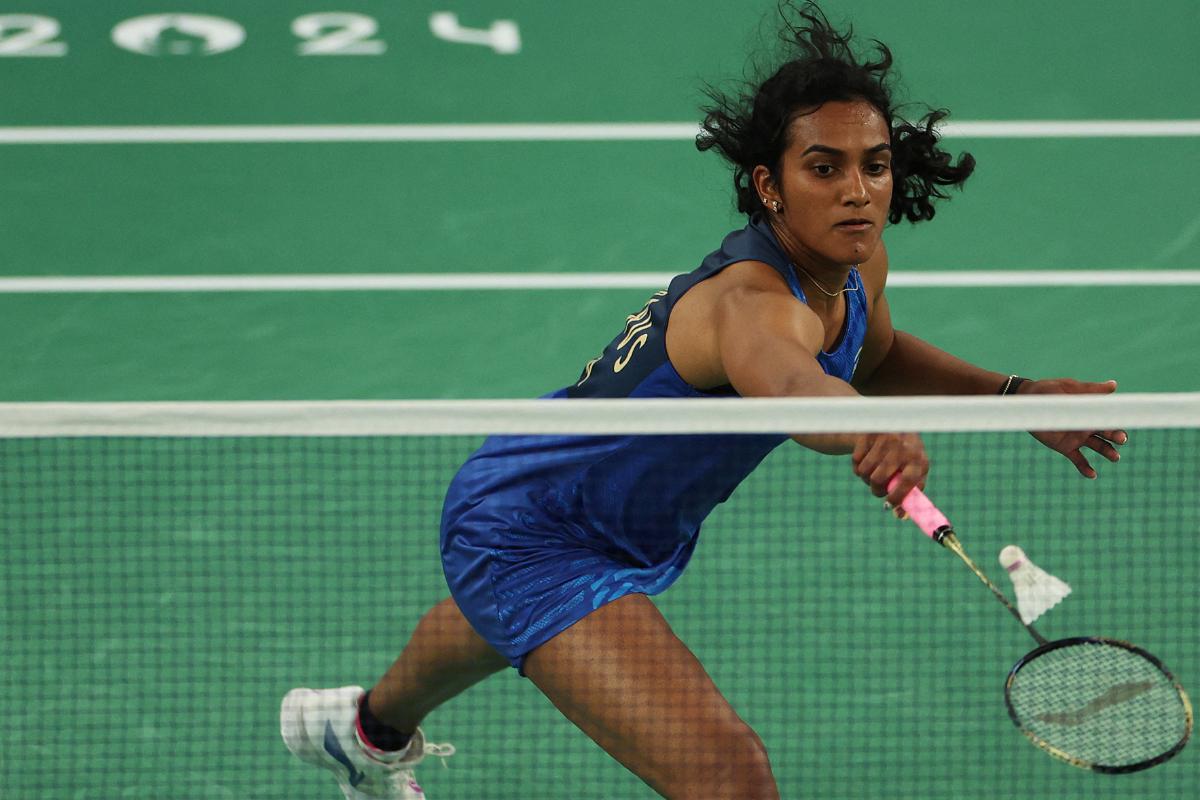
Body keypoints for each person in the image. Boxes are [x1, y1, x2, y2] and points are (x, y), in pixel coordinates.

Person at [279, 3, 1126, 798]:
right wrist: (863, 423)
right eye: (823, 169)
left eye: (873, 166)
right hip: (531, 526)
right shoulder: (749, 304)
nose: (857, 191)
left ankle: (362, 733)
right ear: (769, 184)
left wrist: (1012, 395)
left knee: (495, 618)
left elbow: (876, 354)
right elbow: (798, 388)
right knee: (731, 776)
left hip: (603, 506)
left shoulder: (859, 266)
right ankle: (371, 728)